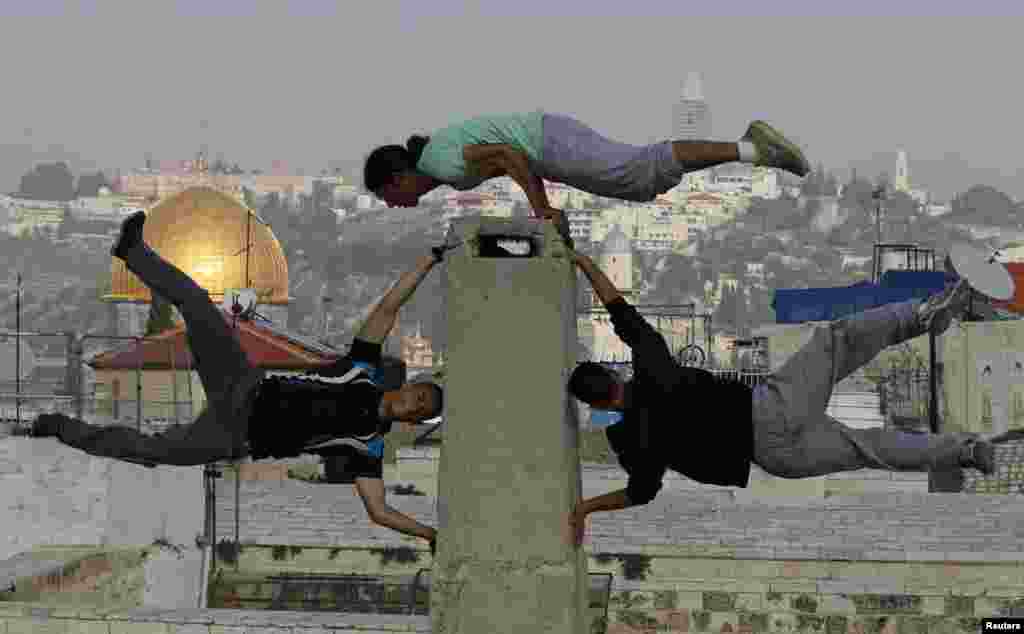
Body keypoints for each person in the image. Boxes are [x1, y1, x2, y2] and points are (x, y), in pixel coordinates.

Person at [24, 211, 444, 554]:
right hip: (245, 384)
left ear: (414, 418)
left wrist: (430, 534)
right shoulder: (362, 370)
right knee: (199, 307)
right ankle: (134, 252)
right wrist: (429, 260)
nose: (414, 403)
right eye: (419, 394)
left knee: (152, 450)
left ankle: (58, 427)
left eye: (421, 409)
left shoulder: (365, 446)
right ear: (411, 386)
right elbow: (388, 308)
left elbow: (379, 511)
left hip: (235, 435)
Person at [564, 248, 996, 547]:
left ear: (597, 406)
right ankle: (921, 315)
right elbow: (620, 309)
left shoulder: (630, 442)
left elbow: (640, 493)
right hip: (769, 410)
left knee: (872, 450)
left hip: (777, 460)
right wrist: (583, 262)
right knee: (835, 340)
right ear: (609, 372)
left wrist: (585, 509)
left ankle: (967, 451)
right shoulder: (653, 368)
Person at [363, 111, 811, 244]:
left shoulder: (437, 165)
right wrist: (542, 206)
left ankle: (753, 148)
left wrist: (540, 209)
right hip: (549, 144)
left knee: (641, 169)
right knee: (641, 182)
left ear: (397, 178)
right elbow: (509, 160)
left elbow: (508, 153)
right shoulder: (440, 166)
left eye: (385, 195)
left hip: (549, 143)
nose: (390, 204)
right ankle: (752, 149)